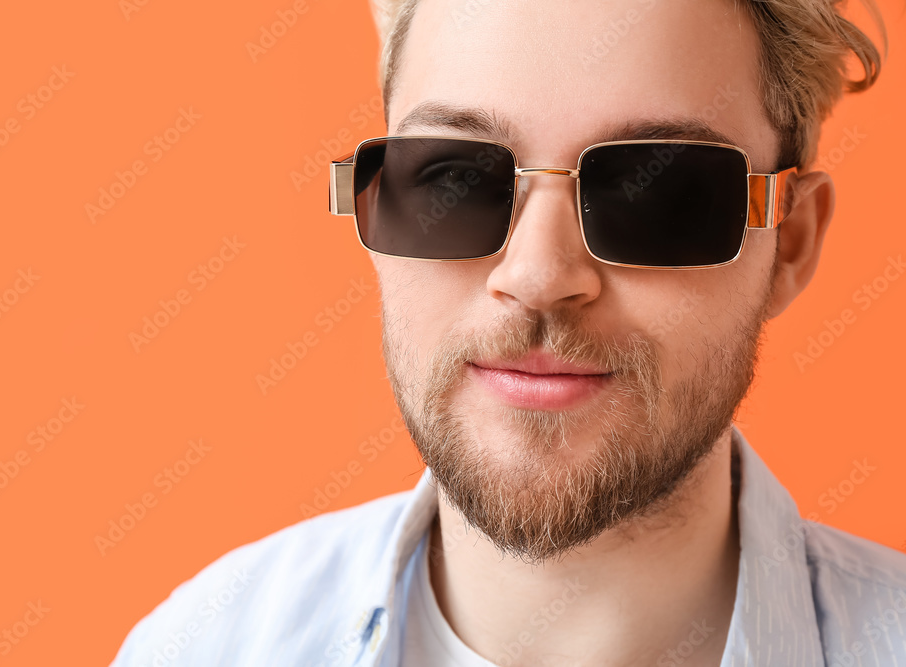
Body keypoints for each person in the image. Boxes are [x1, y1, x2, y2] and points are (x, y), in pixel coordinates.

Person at [111, 1, 906, 665]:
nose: (537, 274)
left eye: (654, 188)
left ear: (790, 242)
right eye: (456, 177)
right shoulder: (201, 646)